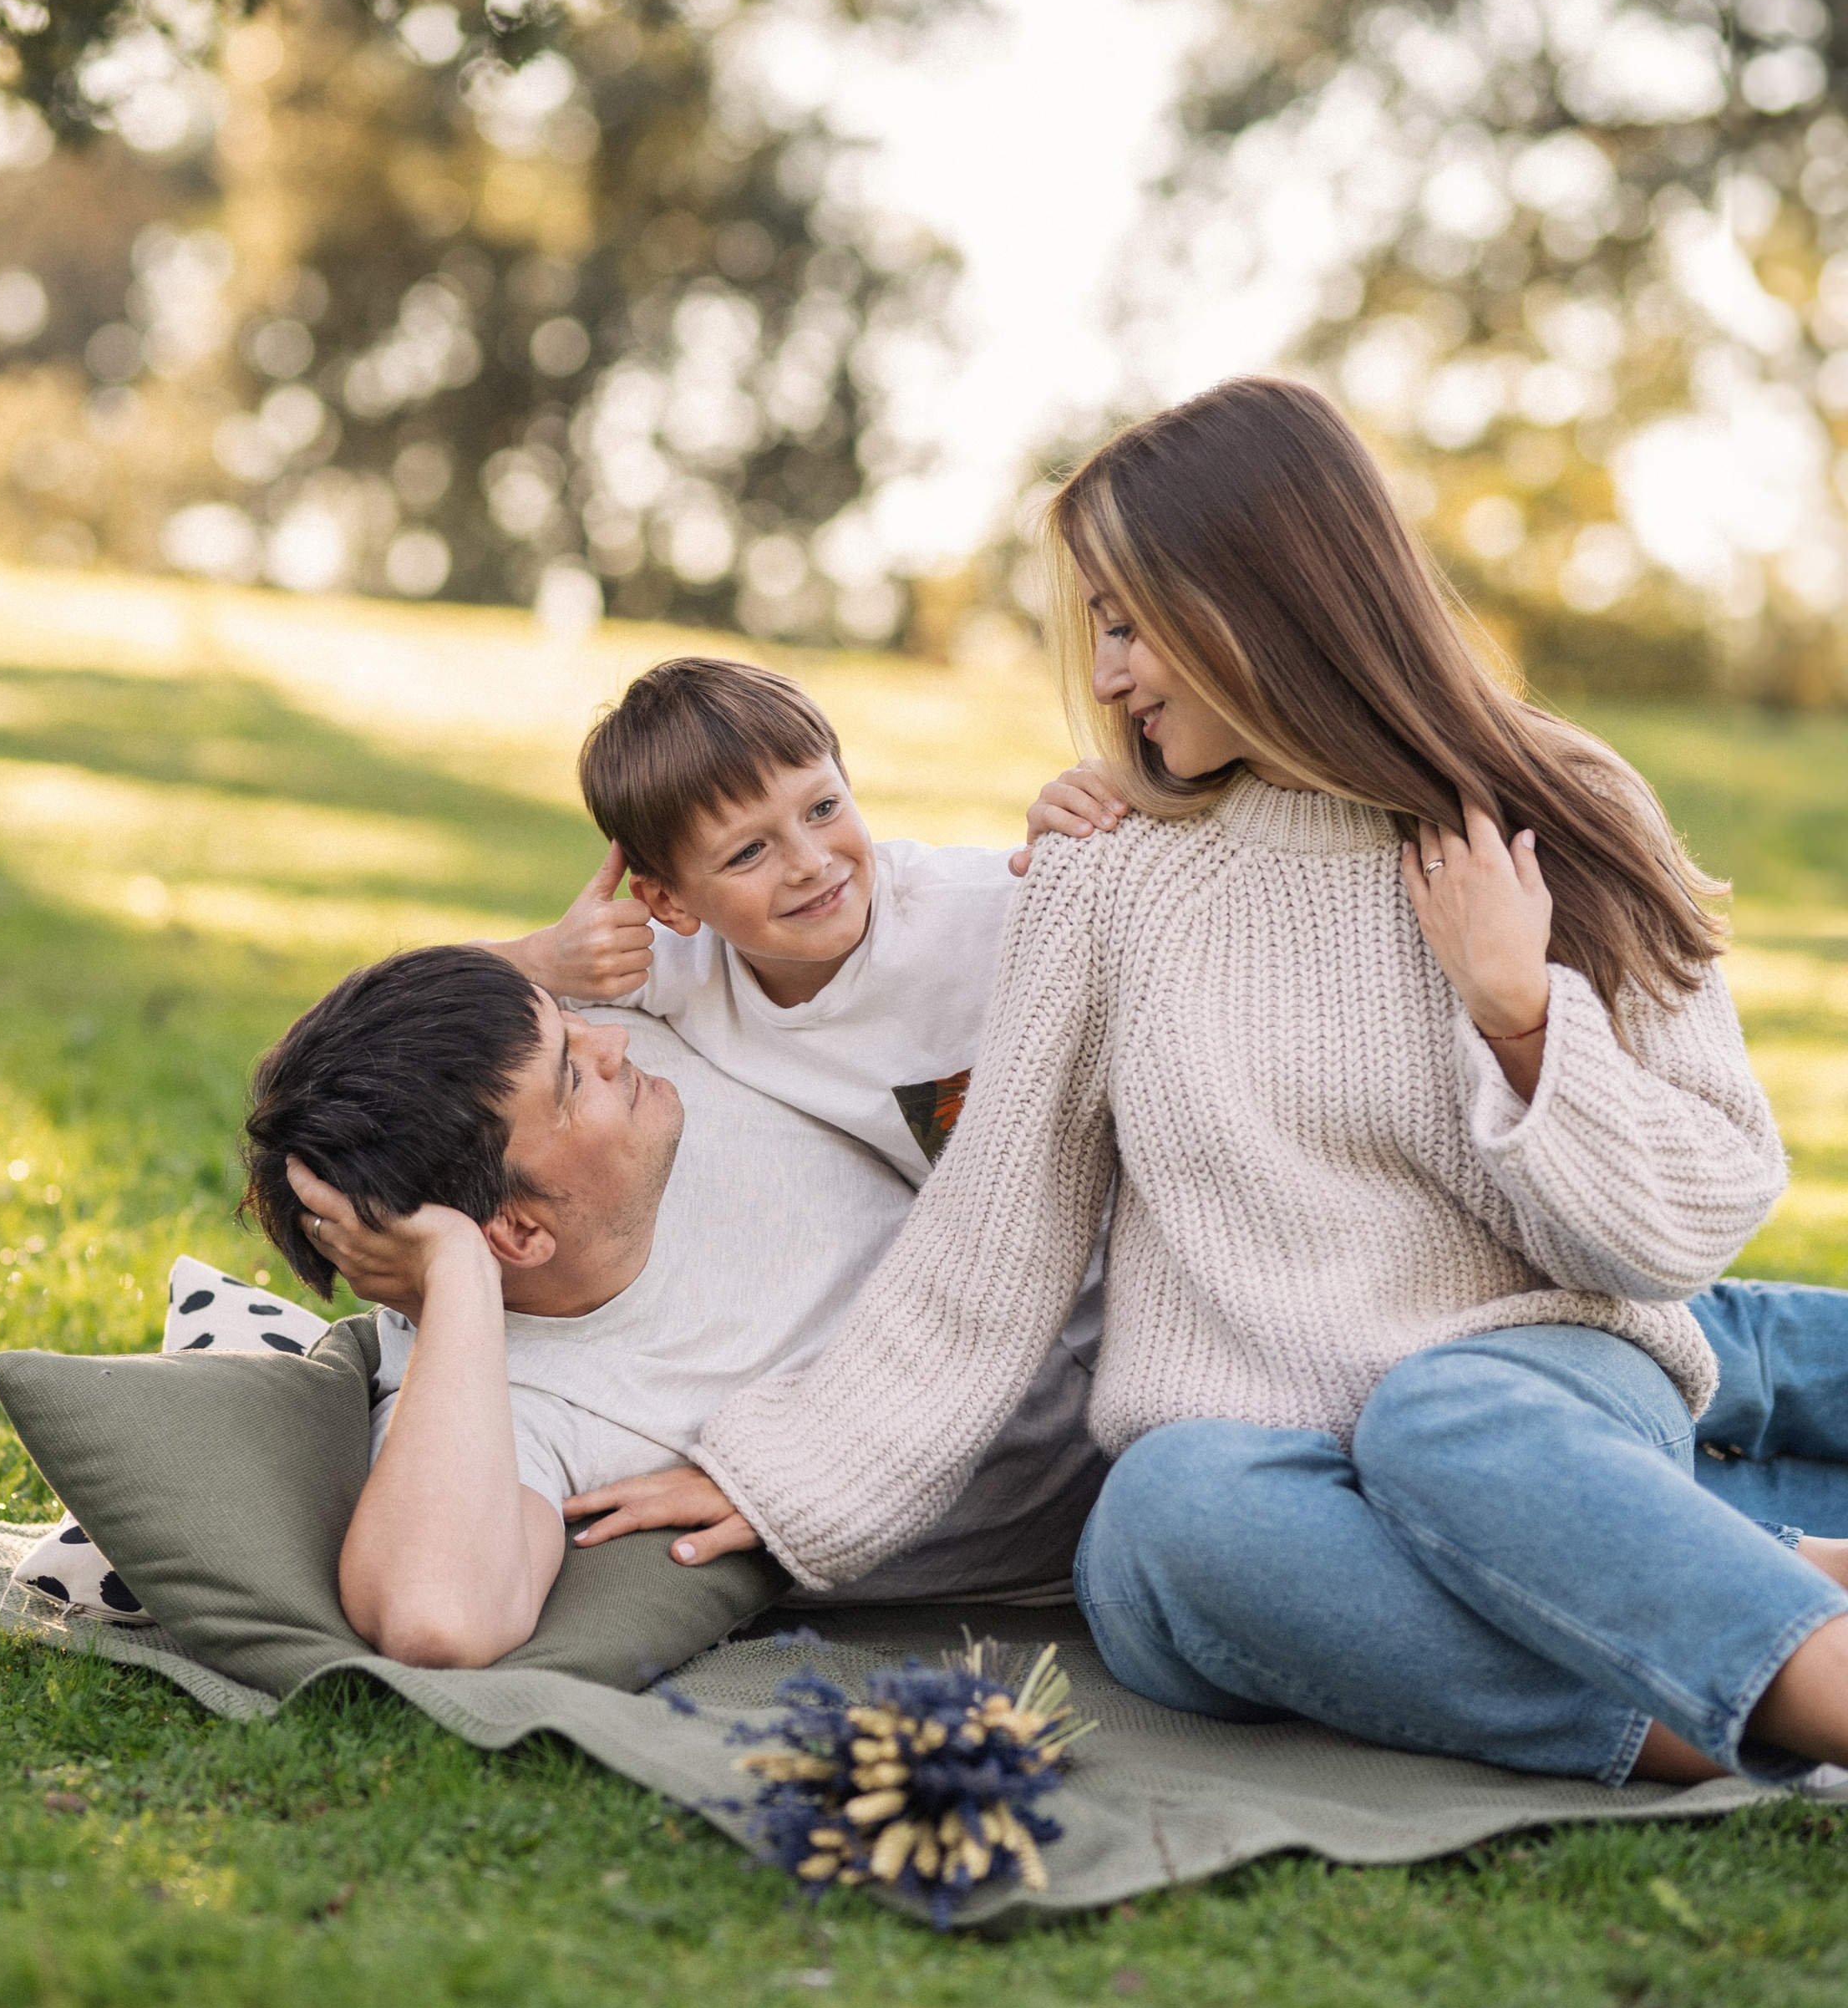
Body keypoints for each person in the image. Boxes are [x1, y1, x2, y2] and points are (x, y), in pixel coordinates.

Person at [682, 376, 1848, 1791]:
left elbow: (1690, 1221)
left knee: (1443, 1421)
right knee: (1167, 1521)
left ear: (1262, 591)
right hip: (1249, 1481)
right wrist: (771, 1481)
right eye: (1096, 627)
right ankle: (1742, 1640)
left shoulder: (1564, 806)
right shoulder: (1110, 876)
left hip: (1530, 1392)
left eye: (1129, 621)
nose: (1105, 673)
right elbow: (991, 1246)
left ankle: (1789, 1690)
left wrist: (1520, 1012)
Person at [237, 947, 1105, 1668]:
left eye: (569, 1023)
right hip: (1119, 1509)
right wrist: (459, 1273)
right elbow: (436, 1618)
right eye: (574, 1077)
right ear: (515, 1231)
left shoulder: (665, 1050)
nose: (612, 1038)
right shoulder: (510, 1407)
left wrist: (534, 963)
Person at [485, 653, 1032, 1182]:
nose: (811, 863)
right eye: (749, 851)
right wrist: (542, 957)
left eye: (823, 808)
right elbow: (418, 993)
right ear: (670, 902)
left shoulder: (980, 907)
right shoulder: (672, 966)